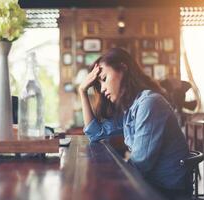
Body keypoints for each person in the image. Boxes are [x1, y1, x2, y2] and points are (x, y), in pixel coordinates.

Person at [78, 48, 192, 200]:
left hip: (165, 192)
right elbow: (95, 134)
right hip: (150, 186)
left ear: (123, 69)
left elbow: (139, 166)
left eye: (104, 79)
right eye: (98, 85)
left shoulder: (150, 103)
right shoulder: (131, 108)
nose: (103, 89)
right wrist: (82, 91)